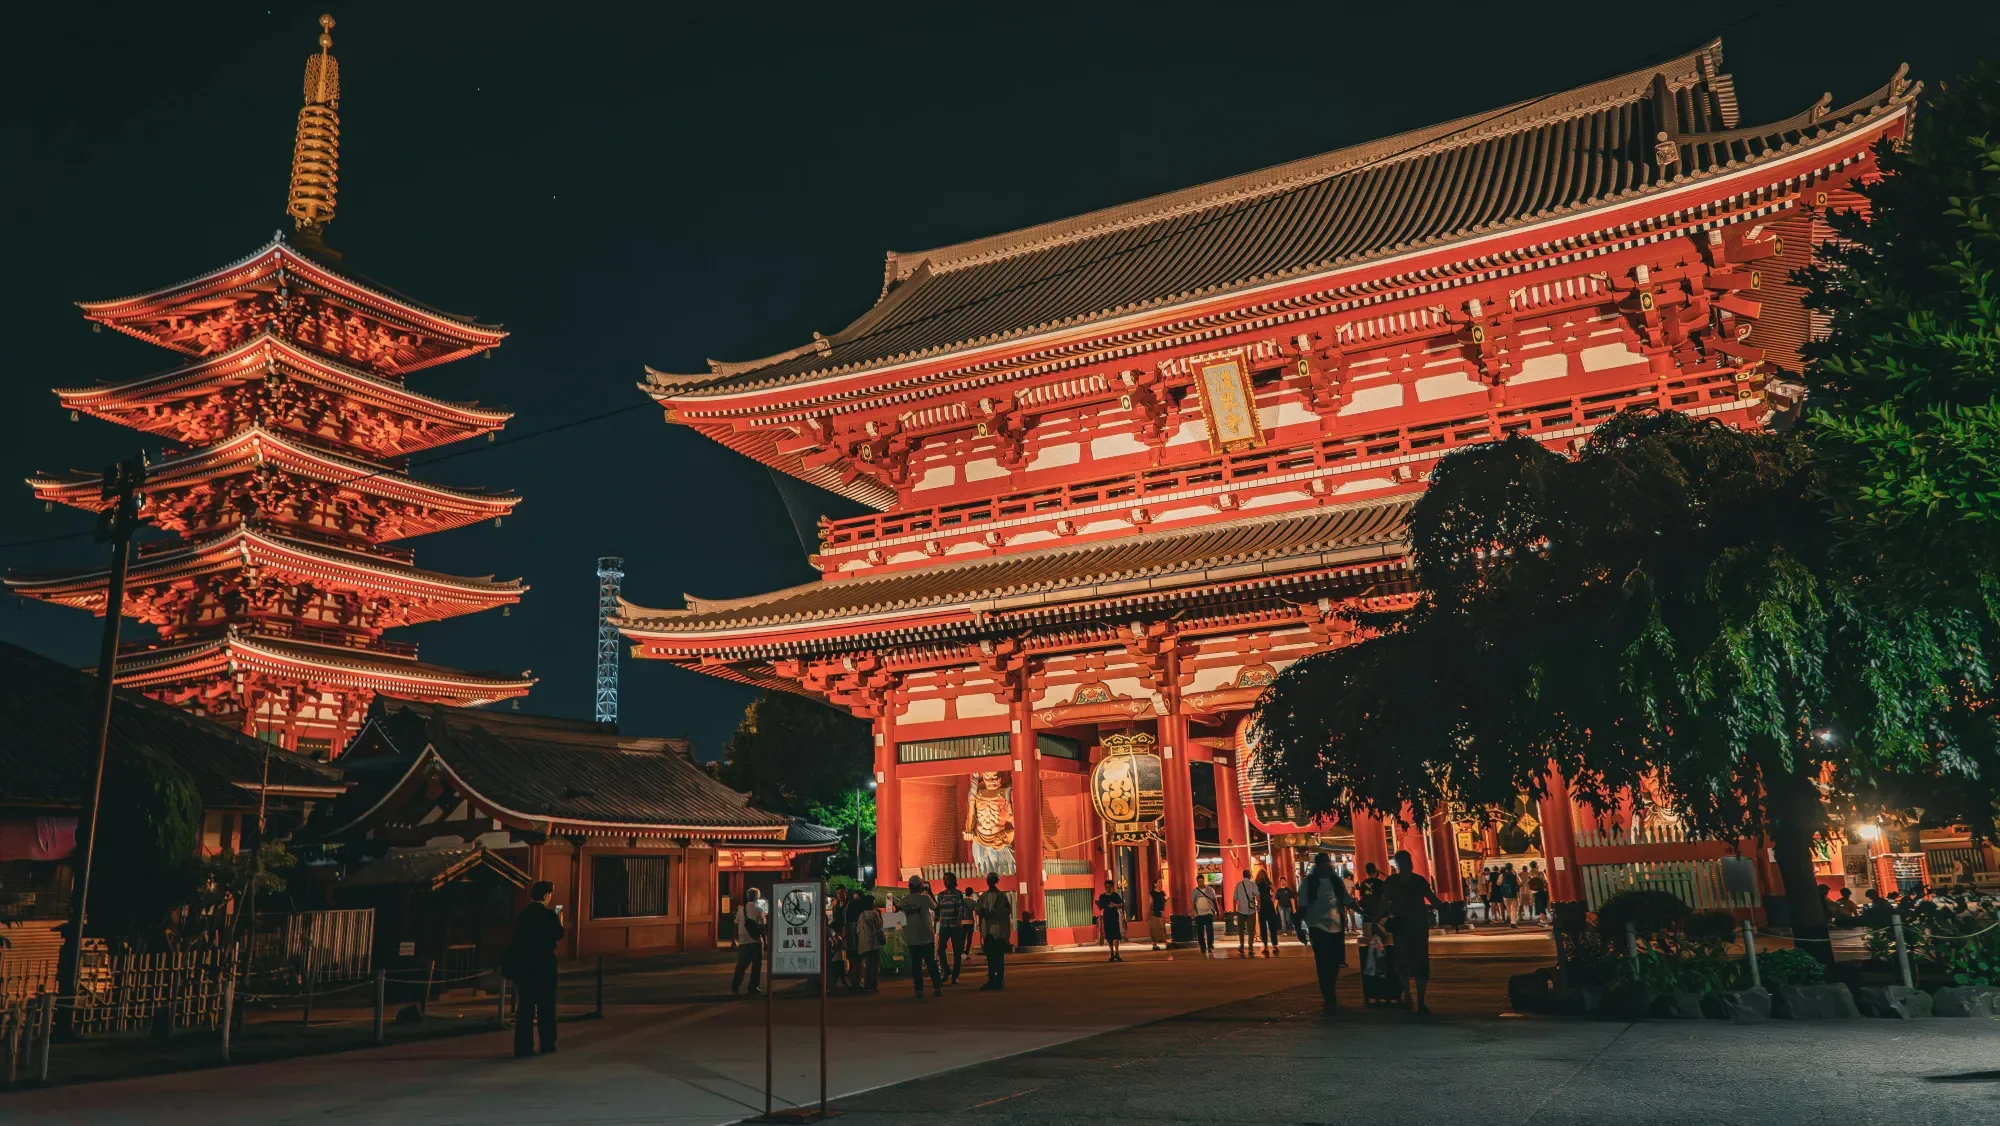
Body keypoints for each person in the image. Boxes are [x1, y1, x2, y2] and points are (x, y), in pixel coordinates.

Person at [1379, 850, 1443, 1014]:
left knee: (1403, 961)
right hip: (1418, 926)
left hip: (1401, 926)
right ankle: (1420, 1000)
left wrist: (1376, 919)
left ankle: (1408, 995)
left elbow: (1384, 902)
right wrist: (1444, 908)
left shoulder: (1392, 882)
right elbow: (1433, 900)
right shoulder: (1419, 881)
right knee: (1420, 962)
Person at [508, 880, 564, 1057]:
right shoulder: (549, 915)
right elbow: (558, 933)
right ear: (547, 895)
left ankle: (523, 1046)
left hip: (525, 965)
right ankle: (547, 1043)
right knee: (546, 1006)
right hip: (545, 964)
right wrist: (559, 920)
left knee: (525, 1006)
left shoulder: (523, 915)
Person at [1299, 852, 1353, 1008]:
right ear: (1318, 865)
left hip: (1336, 925)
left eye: (1328, 863)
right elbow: (1302, 906)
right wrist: (1300, 929)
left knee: (1335, 961)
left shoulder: (1336, 881)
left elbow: (1346, 899)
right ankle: (1328, 992)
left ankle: (1331, 986)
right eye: (1324, 863)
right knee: (1323, 961)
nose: (1327, 866)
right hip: (1317, 926)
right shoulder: (1309, 883)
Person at [898, 877, 945, 997]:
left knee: (916, 964)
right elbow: (936, 907)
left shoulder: (905, 900)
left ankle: (918, 989)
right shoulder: (925, 897)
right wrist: (929, 892)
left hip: (911, 938)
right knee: (931, 963)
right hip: (926, 936)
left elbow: (900, 913)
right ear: (920, 886)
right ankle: (937, 987)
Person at [975, 872, 1011, 990]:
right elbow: (978, 911)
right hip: (989, 931)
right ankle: (993, 979)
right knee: (991, 957)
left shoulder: (1000, 896)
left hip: (998, 931)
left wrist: (991, 913)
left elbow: (1006, 911)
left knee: (997, 957)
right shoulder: (984, 896)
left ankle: (999, 979)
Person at [732, 886, 768, 997]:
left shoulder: (741, 909)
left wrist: (734, 939)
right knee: (756, 966)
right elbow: (762, 927)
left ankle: (735, 985)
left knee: (741, 965)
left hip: (743, 941)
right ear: (757, 897)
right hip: (755, 941)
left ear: (747, 897)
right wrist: (765, 942)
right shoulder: (759, 909)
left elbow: (736, 925)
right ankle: (752, 987)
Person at [935, 873, 970, 984]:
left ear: (953, 881)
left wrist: (959, 923)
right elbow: (938, 909)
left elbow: (960, 910)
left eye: (947, 880)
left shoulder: (958, 894)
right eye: (944, 880)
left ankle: (955, 976)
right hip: (944, 925)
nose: (945, 882)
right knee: (940, 949)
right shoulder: (940, 895)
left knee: (957, 951)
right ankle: (946, 970)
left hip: (955, 926)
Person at [854, 894, 883, 992]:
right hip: (874, 944)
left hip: (864, 945)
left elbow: (858, 930)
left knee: (866, 966)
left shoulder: (861, 915)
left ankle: (866, 985)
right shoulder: (874, 914)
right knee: (874, 966)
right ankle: (872, 986)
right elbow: (879, 925)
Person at [1097, 882, 1126, 961]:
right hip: (1107, 917)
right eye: (1106, 886)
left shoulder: (1115, 895)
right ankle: (1112, 953)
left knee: (1116, 935)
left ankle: (1117, 952)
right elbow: (1100, 907)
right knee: (1109, 936)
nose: (1108, 888)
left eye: (1109, 886)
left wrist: (1114, 905)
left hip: (1114, 916)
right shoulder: (1102, 896)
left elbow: (1121, 904)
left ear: (1112, 887)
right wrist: (1098, 904)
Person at [1256, 870, 1281, 957]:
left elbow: (1257, 896)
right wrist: (1272, 899)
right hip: (1269, 905)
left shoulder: (1257, 883)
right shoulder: (1268, 882)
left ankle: (1265, 946)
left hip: (1262, 905)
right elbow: (1274, 891)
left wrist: (1258, 905)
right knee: (1272, 926)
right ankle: (1274, 946)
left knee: (1263, 927)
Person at [1192, 880, 1218, 956]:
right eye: (1199, 881)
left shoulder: (1210, 890)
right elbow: (1193, 902)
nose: (1201, 883)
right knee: (1200, 932)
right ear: (1197, 882)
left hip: (1209, 913)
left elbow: (1214, 900)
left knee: (1210, 930)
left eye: (1202, 881)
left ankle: (1210, 946)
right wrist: (1193, 911)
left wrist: (1217, 911)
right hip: (1199, 914)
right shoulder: (1195, 891)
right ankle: (1202, 947)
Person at [1148, 882, 1168, 950]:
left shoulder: (1162, 893)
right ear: (1155, 884)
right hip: (1155, 911)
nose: (1160, 884)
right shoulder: (1152, 893)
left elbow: (1165, 901)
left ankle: (1165, 942)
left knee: (1162, 928)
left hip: (1161, 911)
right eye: (1158, 882)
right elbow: (1150, 903)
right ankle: (1154, 944)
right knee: (1154, 928)